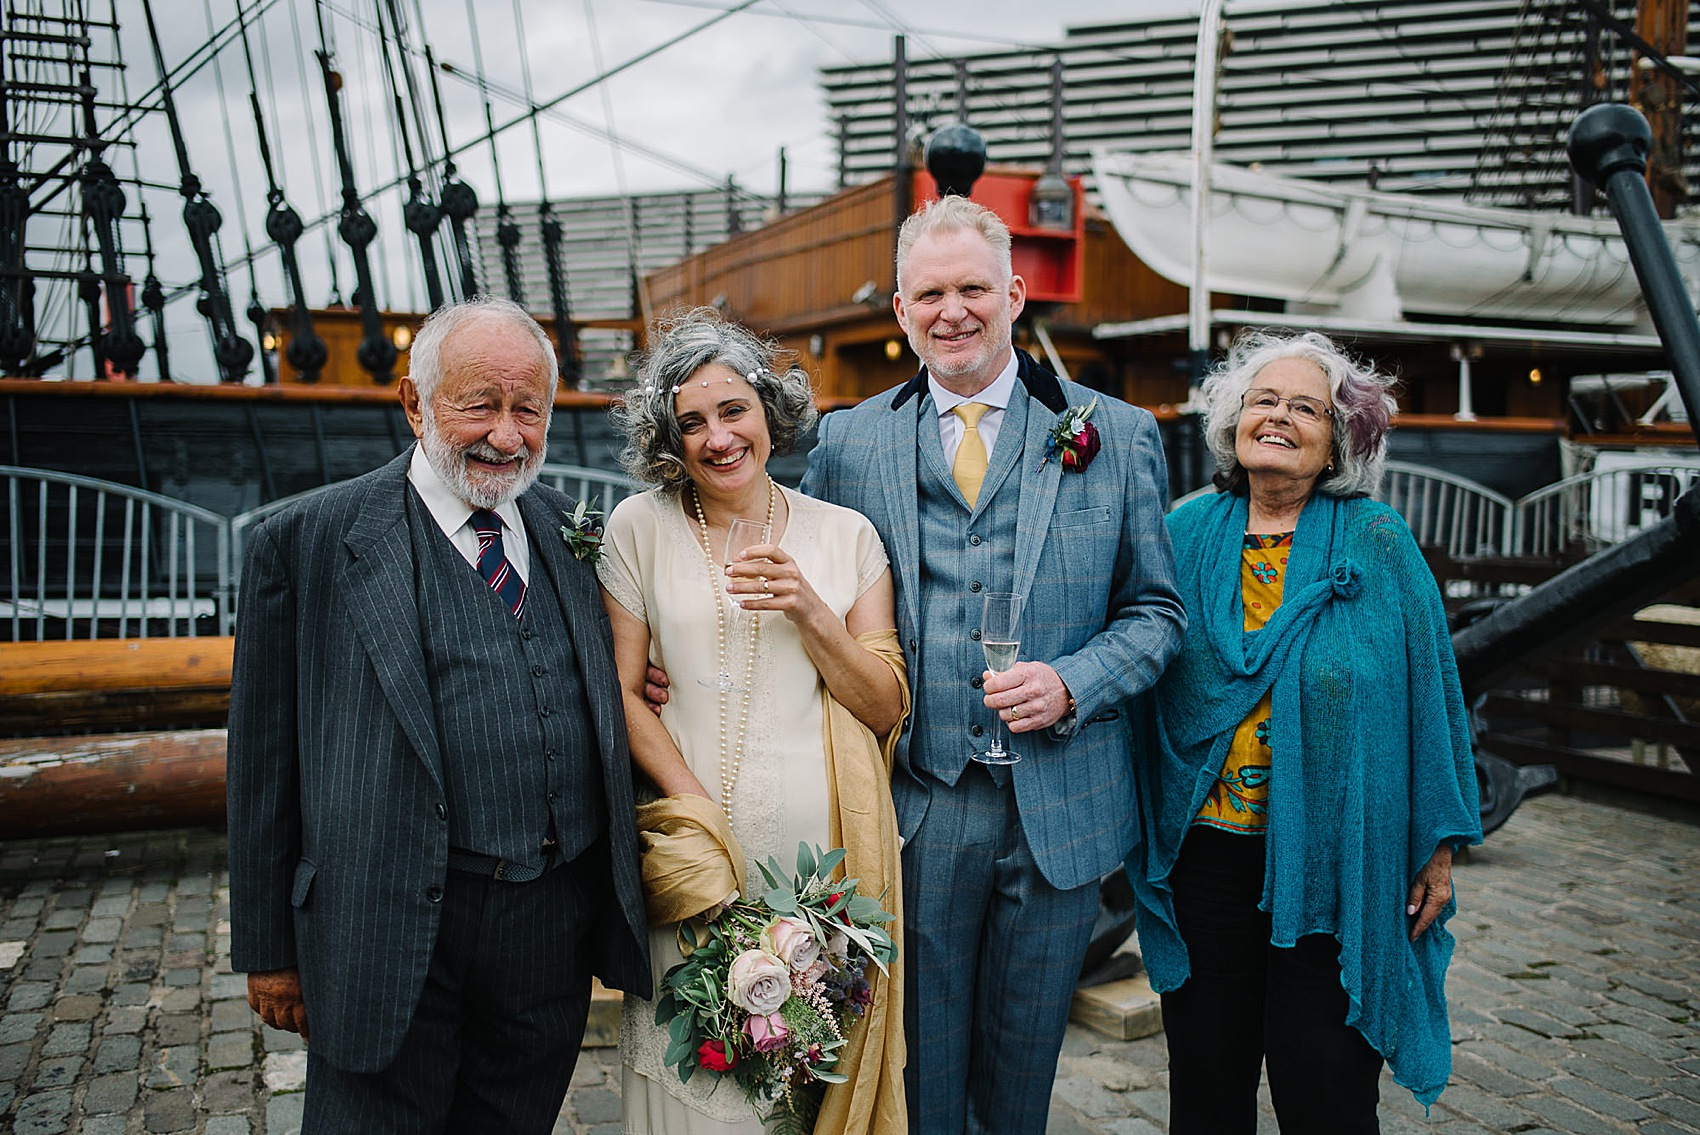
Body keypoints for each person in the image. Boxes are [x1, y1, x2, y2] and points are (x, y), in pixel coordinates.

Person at [799, 195, 1187, 1134]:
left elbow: (1158, 613)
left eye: (973, 287)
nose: (952, 311)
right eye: (929, 293)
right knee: (920, 1075)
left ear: (1014, 294)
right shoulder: (851, 440)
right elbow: (793, 574)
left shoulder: (1117, 433)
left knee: (1020, 1082)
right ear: (900, 311)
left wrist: (1075, 681)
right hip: (921, 806)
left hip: (1061, 814)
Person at [226, 296, 650, 1133]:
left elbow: (611, 679)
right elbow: (263, 760)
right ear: (415, 404)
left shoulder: (574, 531)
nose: (506, 434)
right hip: (386, 919)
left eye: (528, 409)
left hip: (546, 925)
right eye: (479, 404)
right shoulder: (306, 542)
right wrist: (268, 950)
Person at [1124, 330, 1483, 1133]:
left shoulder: (1377, 544)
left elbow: (1434, 695)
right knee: (1207, 1089)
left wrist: (1438, 846)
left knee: (1325, 1089)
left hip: (1337, 860)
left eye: (1306, 407)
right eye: (1263, 400)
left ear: (1338, 440)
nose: (1279, 416)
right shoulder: (1182, 533)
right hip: (1205, 861)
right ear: (1233, 421)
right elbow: (1134, 666)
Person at [599, 308, 909, 1135]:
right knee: (698, 1085)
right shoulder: (639, 527)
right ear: (669, 438)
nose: (717, 437)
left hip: (821, 877)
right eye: (690, 422)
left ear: (770, 410)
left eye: (732, 410)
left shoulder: (846, 536)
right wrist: (696, 813)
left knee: (800, 1092)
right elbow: (622, 690)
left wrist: (811, 610)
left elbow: (884, 705)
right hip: (695, 857)